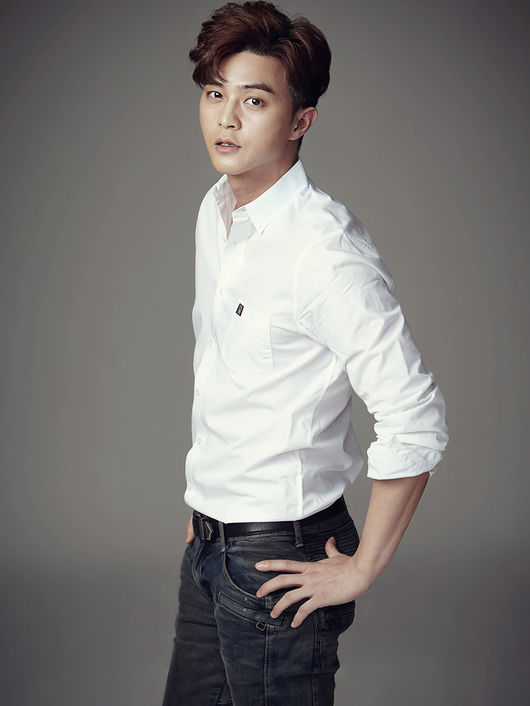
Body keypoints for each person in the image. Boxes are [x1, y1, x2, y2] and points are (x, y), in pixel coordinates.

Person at [162, 2, 449, 704]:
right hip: (209, 542)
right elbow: (226, 372)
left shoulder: (324, 254)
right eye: (215, 94)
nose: (227, 118)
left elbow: (416, 419)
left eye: (254, 100)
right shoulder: (216, 211)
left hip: (279, 559)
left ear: (301, 120)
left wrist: (361, 568)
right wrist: (212, 498)